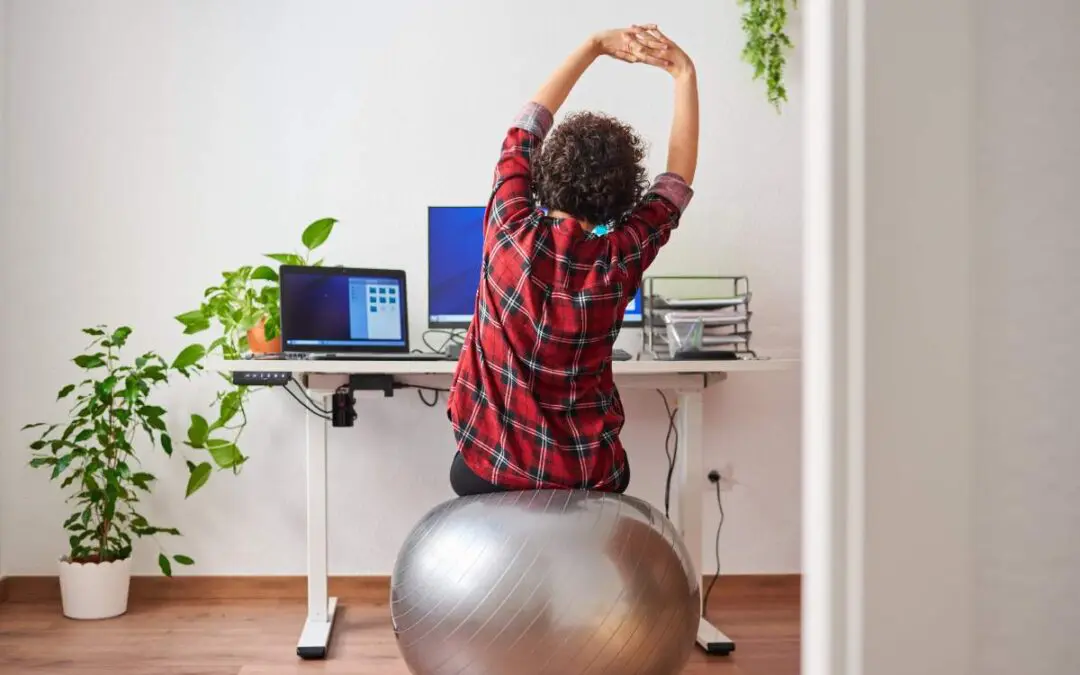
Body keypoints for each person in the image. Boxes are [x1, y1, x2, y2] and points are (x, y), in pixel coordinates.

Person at [447, 25, 699, 497]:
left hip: (490, 467)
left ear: (543, 175)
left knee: (464, 464)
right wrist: (684, 74)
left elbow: (524, 129)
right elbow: (674, 186)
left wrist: (594, 47)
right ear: (622, 201)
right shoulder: (620, 256)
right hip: (589, 475)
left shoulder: (509, 225)